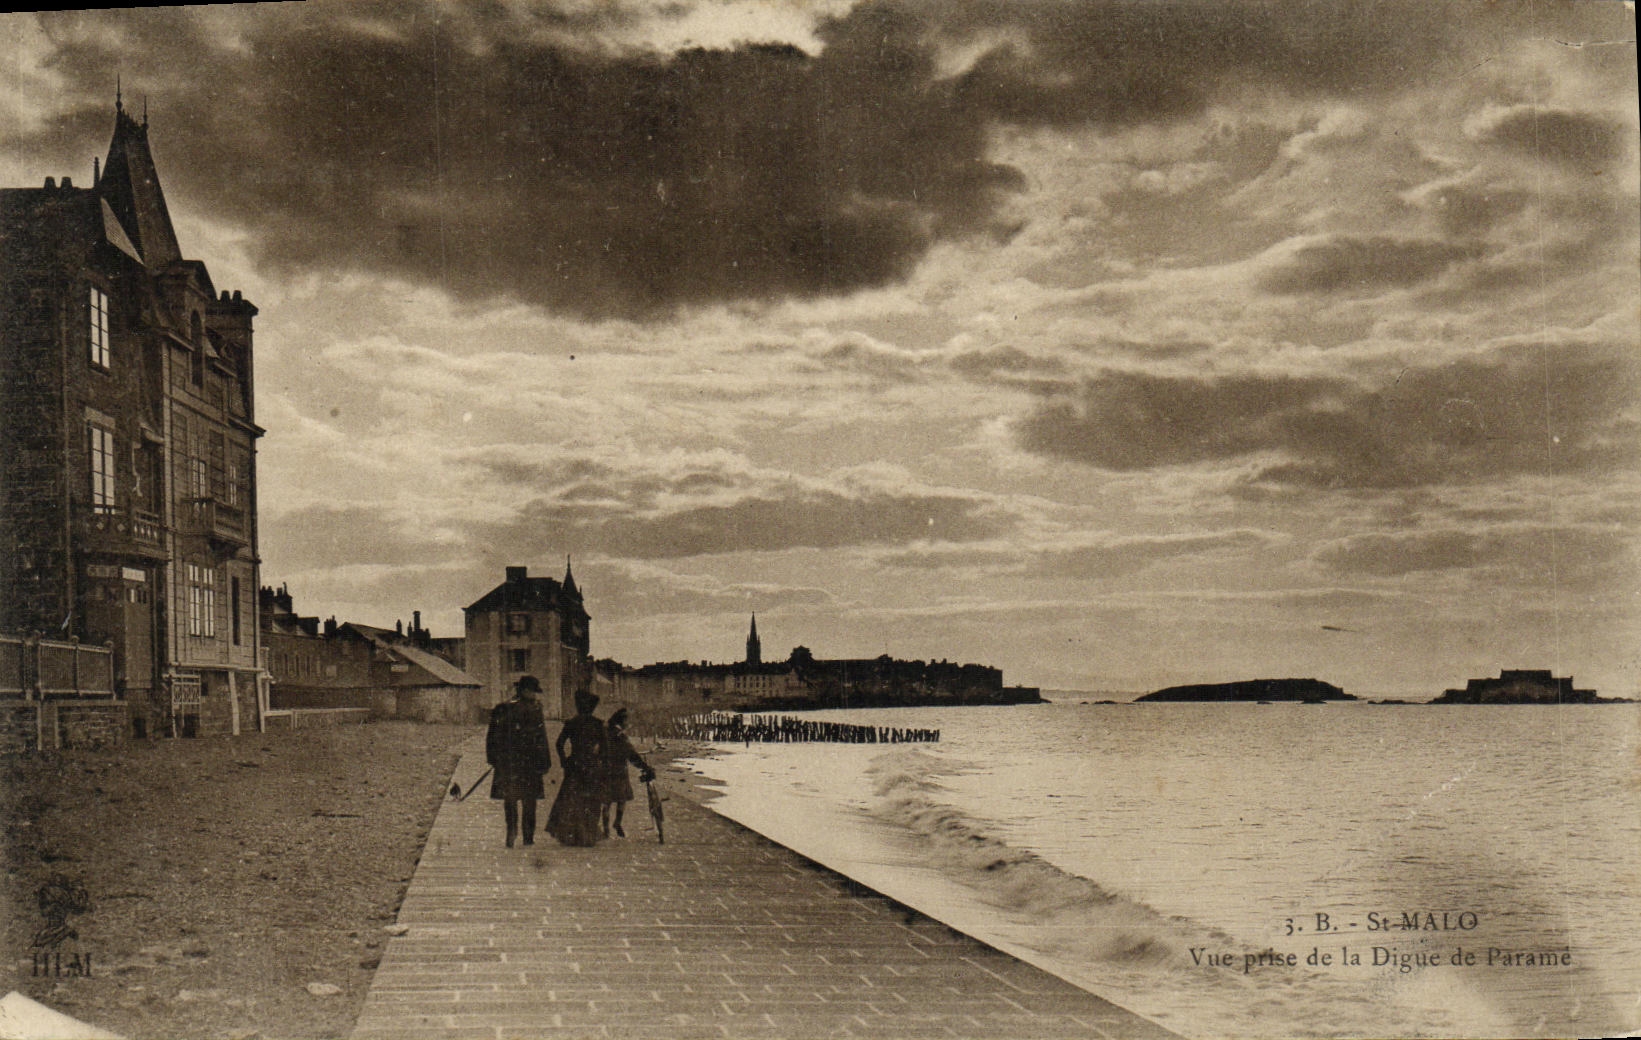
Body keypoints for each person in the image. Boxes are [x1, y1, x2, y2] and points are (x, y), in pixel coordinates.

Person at [485, 675, 552, 848]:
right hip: (529, 763)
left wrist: (493, 759)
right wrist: (545, 762)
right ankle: (527, 836)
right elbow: (541, 738)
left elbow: (491, 737)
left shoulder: (503, 708)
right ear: (525, 691)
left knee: (511, 798)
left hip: (509, 763)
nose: (535, 696)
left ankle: (512, 831)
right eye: (533, 692)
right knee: (529, 800)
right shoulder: (535, 709)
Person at [547, 688, 606, 846]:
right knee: (591, 801)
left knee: (572, 801)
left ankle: (573, 835)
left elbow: (559, 743)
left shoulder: (572, 723)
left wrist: (564, 761)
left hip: (575, 765)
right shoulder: (598, 724)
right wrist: (600, 759)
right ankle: (588, 835)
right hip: (592, 765)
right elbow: (606, 748)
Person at [600, 708, 655, 838]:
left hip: (605, 771)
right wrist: (645, 767)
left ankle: (606, 829)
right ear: (622, 722)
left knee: (606, 802)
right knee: (621, 799)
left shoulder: (605, 733)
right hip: (619, 771)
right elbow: (631, 755)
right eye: (626, 721)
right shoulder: (621, 736)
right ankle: (617, 822)